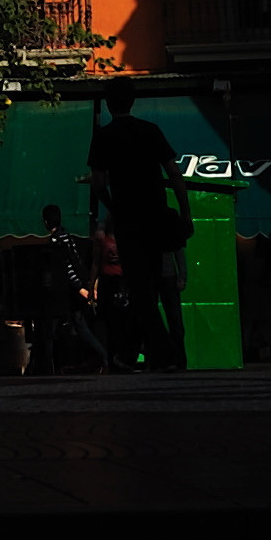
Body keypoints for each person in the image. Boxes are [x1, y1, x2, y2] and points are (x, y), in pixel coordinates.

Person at [84, 84, 187, 370]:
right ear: (133, 101)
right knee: (148, 289)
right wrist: (185, 213)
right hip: (155, 217)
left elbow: (99, 183)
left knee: (141, 290)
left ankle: (150, 353)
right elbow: (175, 174)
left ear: (107, 104)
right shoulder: (151, 130)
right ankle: (148, 354)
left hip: (130, 222)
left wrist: (115, 208)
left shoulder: (104, 136)